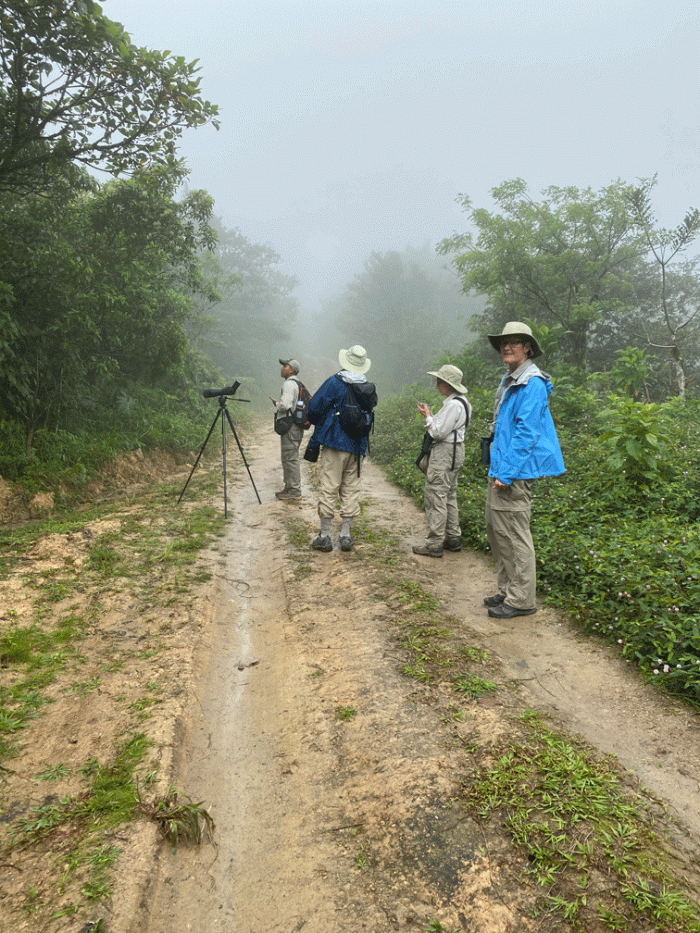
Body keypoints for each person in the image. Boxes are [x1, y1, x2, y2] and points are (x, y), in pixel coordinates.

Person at [483, 321, 565, 618]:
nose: (507, 346)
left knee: (515, 535)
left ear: (527, 347)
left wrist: (506, 473)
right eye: (504, 342)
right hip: (502, 465)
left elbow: (526, 434)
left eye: (514, 342)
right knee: (498, 531)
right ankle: (508, 590)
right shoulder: (511, 379)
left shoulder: (532, 383)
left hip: (514, 472)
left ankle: (521, 600)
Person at [306, 345, 377, 552]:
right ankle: (346, 535)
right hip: (357, 445)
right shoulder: (367, 387)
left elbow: (315, 407)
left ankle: (325, 536)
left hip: (335, 443)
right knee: (351, 488)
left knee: (329, 486)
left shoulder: (335, 382)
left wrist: (318, 423)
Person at [412, 364, 472, 558]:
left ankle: (434, 543)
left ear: (448, 385)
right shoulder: (463, 403)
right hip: (456, 451)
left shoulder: (453, 405)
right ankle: (453, 537)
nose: (437, 385)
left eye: (440, 382)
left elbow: (438, 432)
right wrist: (430, 416)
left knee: (436, 495)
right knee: (449, 495)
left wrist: (428, 417)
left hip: (444, 452)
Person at [272, 358, 303, 500]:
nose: (281, 368)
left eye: (285, 366)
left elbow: (285, 405)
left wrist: (277, 403)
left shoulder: (289, 384)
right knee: (290, 457)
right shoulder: (296, 383)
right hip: (295, 425)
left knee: (290, 458)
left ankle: (294, 491)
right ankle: (289, 487)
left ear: (291, 370)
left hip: (290, 426)